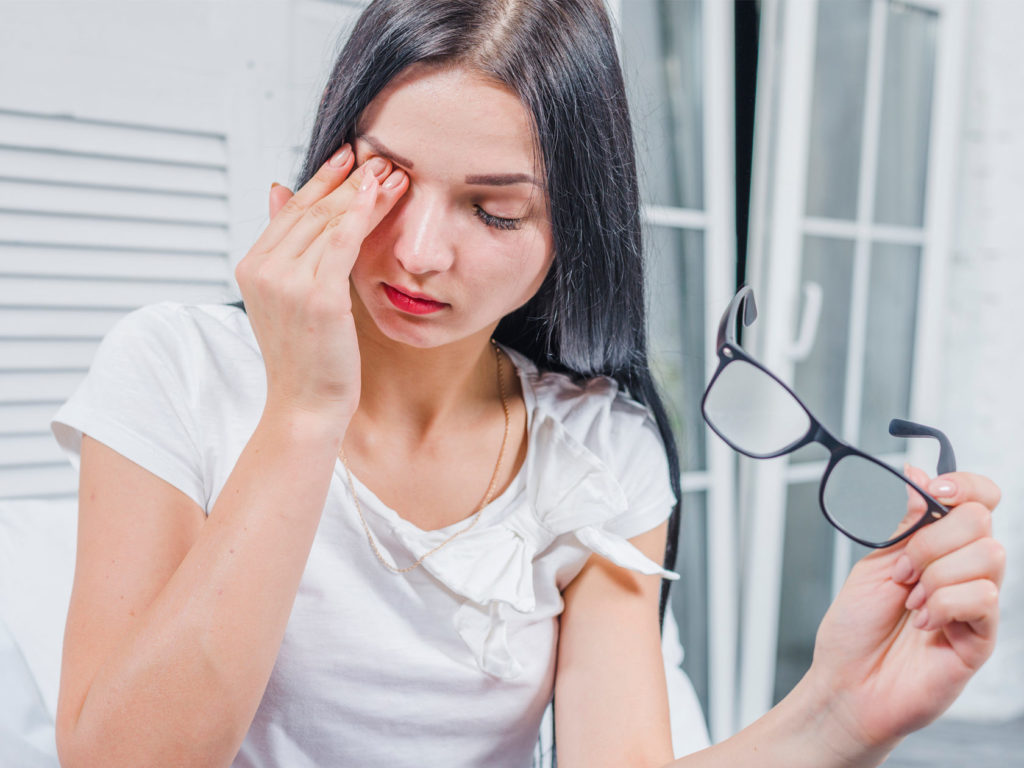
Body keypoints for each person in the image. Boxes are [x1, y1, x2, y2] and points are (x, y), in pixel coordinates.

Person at [49, 1, 1004, 766]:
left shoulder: (596, 450)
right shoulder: (174, 369)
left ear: (567, 235)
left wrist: (839, 713)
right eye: (385, 179)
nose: (419, 252)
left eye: (495, 212)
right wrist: (304, 412)